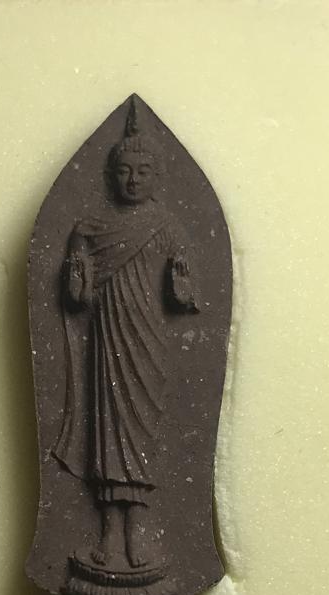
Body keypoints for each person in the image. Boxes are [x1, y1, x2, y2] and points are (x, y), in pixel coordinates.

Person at [54, 96, 198, 569]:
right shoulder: (90, 229)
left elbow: (182, 299)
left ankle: (136, 532)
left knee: (141, 430)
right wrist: (77, 274)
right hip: (108, 337)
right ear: (110, 176)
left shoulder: (166, 226)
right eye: (124, 172)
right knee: (108, 429)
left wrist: (180, 282)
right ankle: (109, 533)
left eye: (143, 172)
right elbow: (76, 300)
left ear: (157, 177)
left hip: (148, 339)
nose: (133, 180)